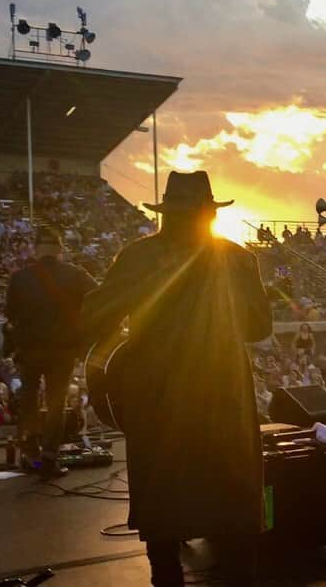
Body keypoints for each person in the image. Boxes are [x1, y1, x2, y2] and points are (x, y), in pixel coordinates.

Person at [81, 171, 272, 587]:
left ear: (166, 212)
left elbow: (97, 315)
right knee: (232, 498)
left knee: (161, 497)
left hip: (156, 398)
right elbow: (259, 328)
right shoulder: (239, 259)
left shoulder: (137, 257)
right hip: (224, 397)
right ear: (209, 213)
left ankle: (167, 579)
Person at [5, 227, 97, 479]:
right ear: (59, 250)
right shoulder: (75, 275)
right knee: (56, 403)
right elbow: (99, 298)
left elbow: (10, 313)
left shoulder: (20, 278)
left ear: (36, 251)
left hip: (30, 351)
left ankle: (31, 455)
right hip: (62, 351)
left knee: (29, 399)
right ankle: (49, 457)